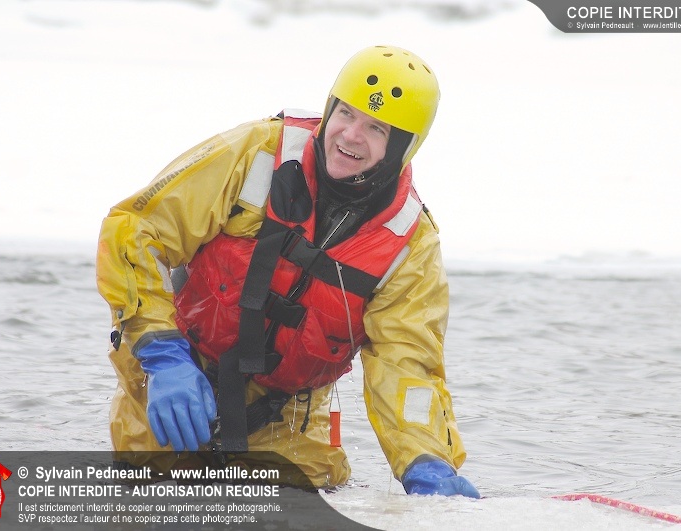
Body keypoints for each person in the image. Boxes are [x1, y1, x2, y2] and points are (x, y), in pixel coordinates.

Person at [96, 45, 480, 498]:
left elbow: (407, 364)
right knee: (151, 498)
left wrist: (426, 460)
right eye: (346, 114)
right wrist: (162, 354)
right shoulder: (254, 152)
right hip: (175, 389)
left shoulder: (410, 246)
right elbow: (135, 231)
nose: (351, 135)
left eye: (376, 129)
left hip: (287, 422)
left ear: (402, 148)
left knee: (313, 502)